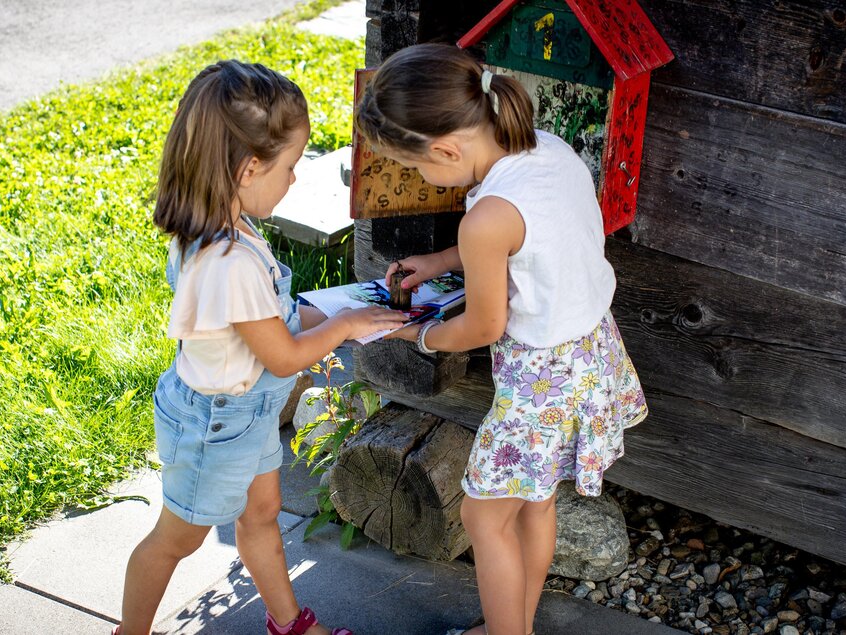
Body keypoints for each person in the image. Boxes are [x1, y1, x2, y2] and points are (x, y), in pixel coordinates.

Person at [355, 43, 648, 635]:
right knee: (535, 503)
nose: (421, 178)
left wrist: (425, 336)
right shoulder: (552, 151)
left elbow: (484, 326)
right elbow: (536, 241)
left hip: (538, 384)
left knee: (484, 519)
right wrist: (442, 260)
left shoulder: (485, 218)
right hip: (590, 355)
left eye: (416, 169)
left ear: (445, 149)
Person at [117, 60, 406, 635]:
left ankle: (289, 623)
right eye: (292, 166)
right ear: (249, 168)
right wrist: (345, 325)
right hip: (215, 425)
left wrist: (326, 309)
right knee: (177, 539)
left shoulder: (231, 229)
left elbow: (260, 325)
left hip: (244, 414)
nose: (295, 179)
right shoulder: (227, 261)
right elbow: (282, 357)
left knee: (262, 514)